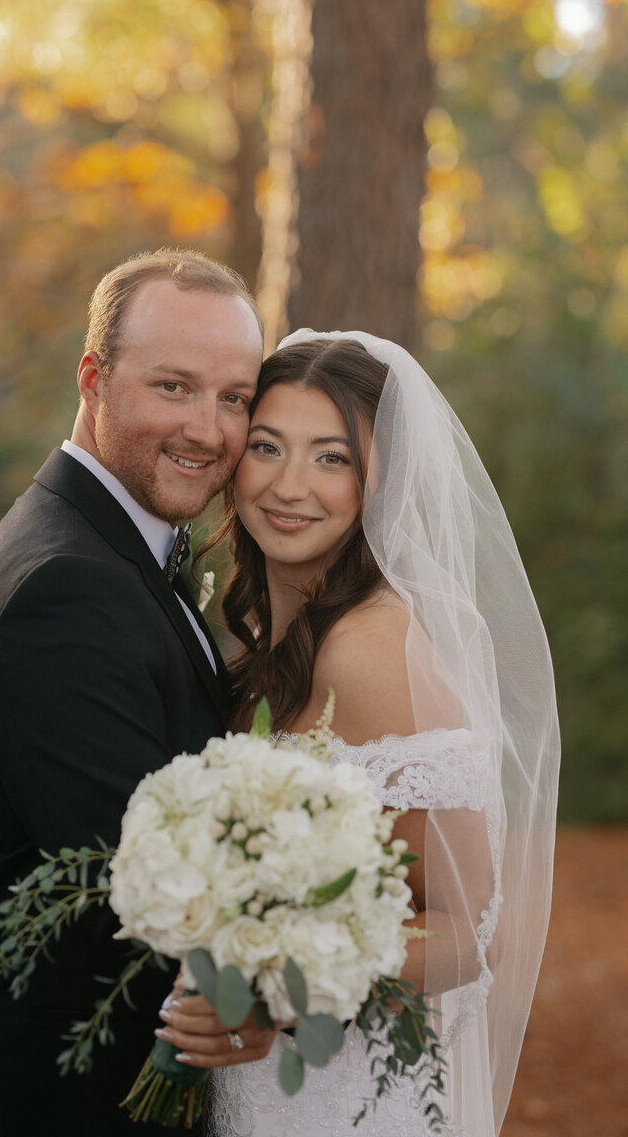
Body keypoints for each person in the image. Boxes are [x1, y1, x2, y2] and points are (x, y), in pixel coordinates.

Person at [0, 248, 278, 1137]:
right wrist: (325, 957)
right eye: (173, 387)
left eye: (234, 398)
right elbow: (143, 882)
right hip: (25, 1102)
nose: (209, 431)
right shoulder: (63, 588)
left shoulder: (111, 552)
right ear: (94, 377)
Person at [155, 332, 559, 1137]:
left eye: (332, 458)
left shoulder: (369, 650)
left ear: (380, 483)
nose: (289, 485)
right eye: (267, 447)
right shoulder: (275, 641)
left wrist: (279, 983)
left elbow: (471, 933)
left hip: (344, 1102)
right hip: (264, 1086)